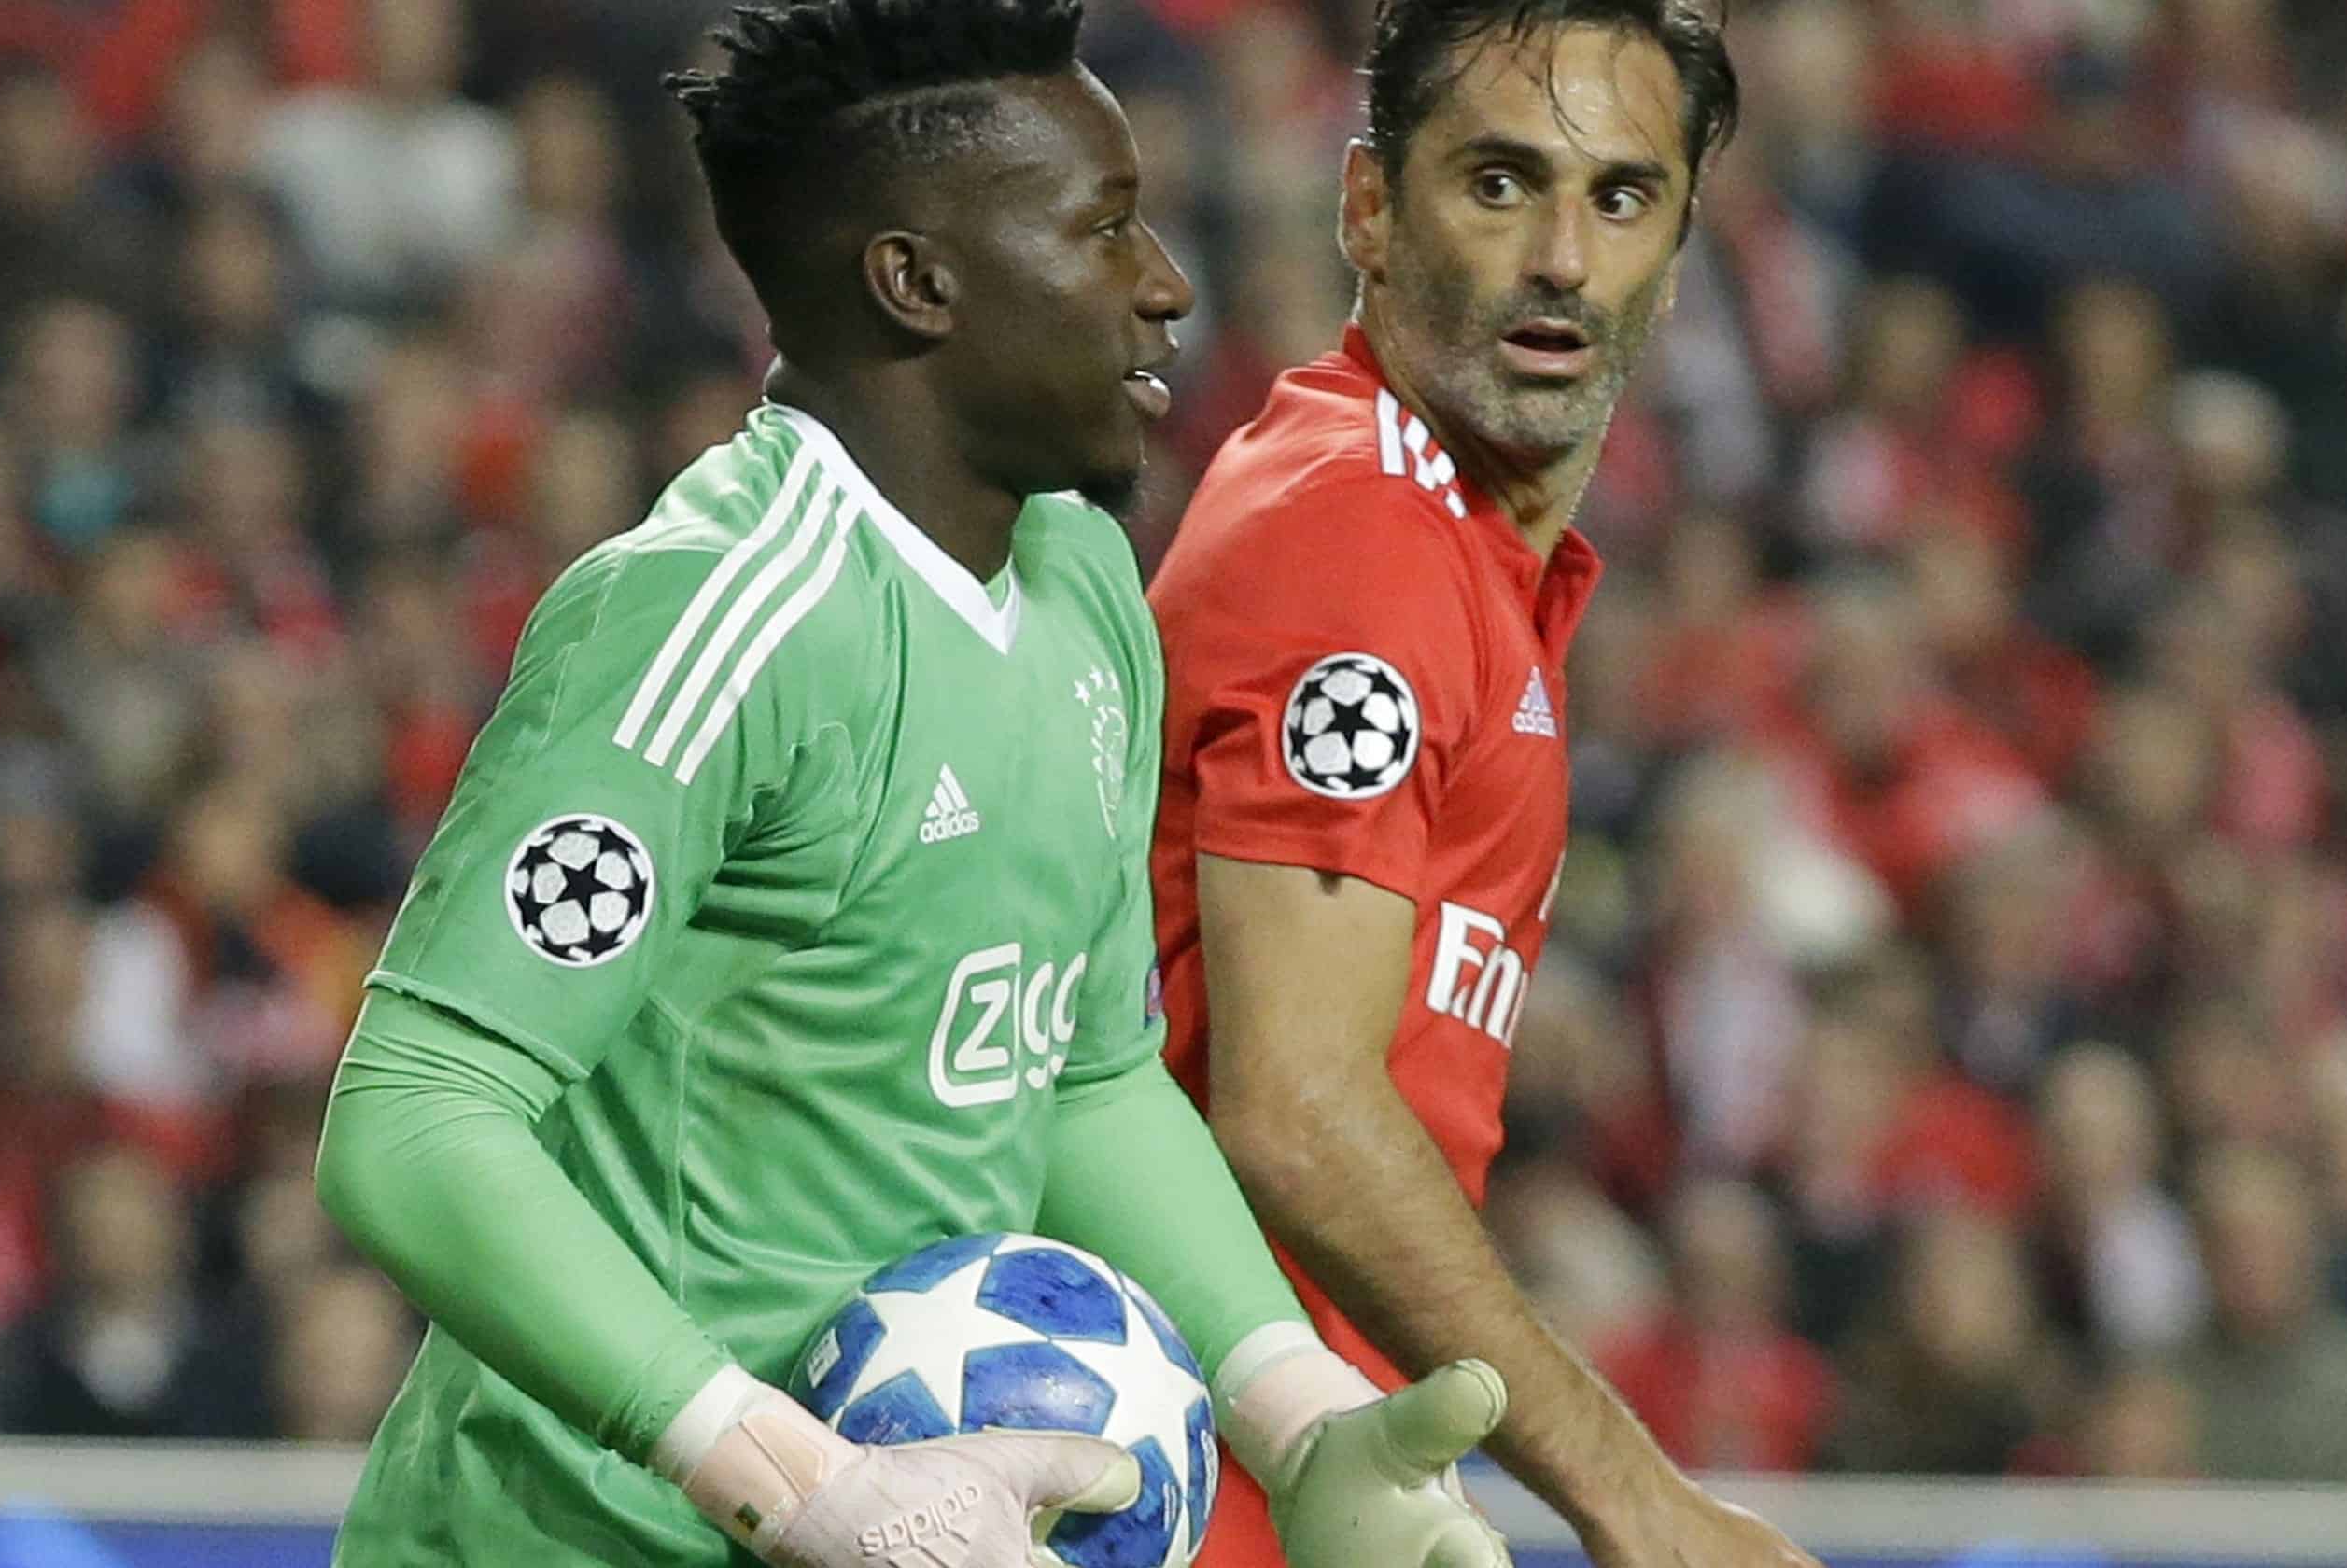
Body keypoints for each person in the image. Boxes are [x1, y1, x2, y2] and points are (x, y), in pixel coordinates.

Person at [312, 4, 1515, 1567]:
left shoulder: (1082, 581)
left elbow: (1078, 1072)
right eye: (1104, 229)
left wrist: (1294, 1416)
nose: (1166, 286)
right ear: (918, 283)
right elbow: (414, 1120)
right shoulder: (717, 614)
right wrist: (798, 1483)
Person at [1148, 2, 1818, 1565]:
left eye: (1623, 197)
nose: (1564, 261)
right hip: (1183, 1494)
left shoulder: (1467, 556)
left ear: (1680, 248)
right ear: (1369, 209)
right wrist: (1638, 1500)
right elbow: (1298, 1111)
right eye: (1500, 184)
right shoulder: (1359, 539)